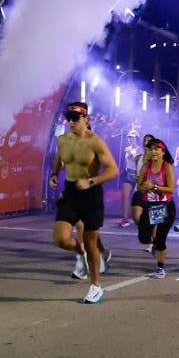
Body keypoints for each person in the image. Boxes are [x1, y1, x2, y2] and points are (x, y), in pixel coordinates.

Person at [49, 102, 119, 304]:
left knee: (91, 243)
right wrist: (54, 174)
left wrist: (90, 181)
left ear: (86, 119)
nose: (71, 121)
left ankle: (95, 286)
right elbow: (59, 158)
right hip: (70, 192)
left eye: (75, 118)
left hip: (91, 193)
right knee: (61, 239)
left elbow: (113, 170)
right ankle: (78, 254)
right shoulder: (63, 139)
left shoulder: (95, 142)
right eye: (68, 118)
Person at [135, 138, 177, 278]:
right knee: (143, 238)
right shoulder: (145, 167)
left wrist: (154, 186)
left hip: (164, 206)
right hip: (149, 205)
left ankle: (160, 267)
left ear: (163, 152)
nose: (153, 151)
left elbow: (171, 189)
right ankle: (156, 246)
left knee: (160, 239)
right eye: (151, 149)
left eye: (156, 149)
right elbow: (140, 186)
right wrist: (143, 185)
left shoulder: (167, 167)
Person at [118, 130, 140, 227]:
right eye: (129, 138)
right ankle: (125, 218)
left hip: (137, 175)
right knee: (125, 197)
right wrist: (122, 169)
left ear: (137, 139)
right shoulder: (126, 149)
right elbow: (125, 161)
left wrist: (131, 155)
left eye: (133, 137)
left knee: (138, 198)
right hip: (128, 174)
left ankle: (139, 218)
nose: (131, 139)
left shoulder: (140, 150)